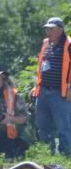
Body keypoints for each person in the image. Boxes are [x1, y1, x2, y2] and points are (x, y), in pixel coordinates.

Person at [31, 17, 71, 155]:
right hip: (43, 91)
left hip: (60, 93)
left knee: (63, 126)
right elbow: (41, 66)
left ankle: (66, 154)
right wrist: (37, 86)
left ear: (60, 29)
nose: (48, 31)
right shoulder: (46, 44)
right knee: (42, 125)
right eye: (47, 28)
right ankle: (48, 153)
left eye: (52, 28)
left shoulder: (69, 44)